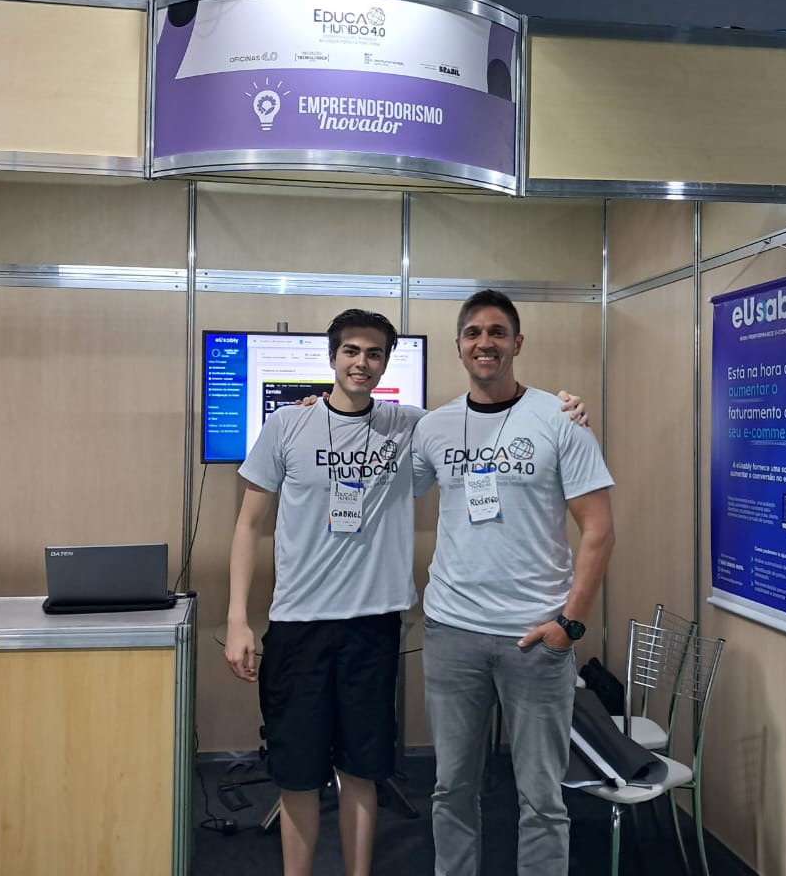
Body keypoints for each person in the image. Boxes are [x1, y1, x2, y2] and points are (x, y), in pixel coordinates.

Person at [224, 308, 588, 876]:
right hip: (297, 625)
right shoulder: (286, 426)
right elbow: (247, 526)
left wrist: (562, 407)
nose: (361, 363)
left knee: (364, 768)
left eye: (373, 354)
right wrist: (240, 621)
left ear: (386, 362)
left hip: (373, 626)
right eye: (351, 351)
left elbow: (489, 413)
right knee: (295, 772)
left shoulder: (413, 426)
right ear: (332, 357)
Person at [412, 289, 616, 876]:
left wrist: (569, 623)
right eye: (474, 333)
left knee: (543, 798)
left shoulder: (560, 419)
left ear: (517, 343)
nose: (485, 343)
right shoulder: (435, 426)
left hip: (536, 637)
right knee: (450, 787)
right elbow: (388, 477)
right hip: (453, 634)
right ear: (458, 346)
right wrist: (310, 409)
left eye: (498, 332)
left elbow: (599, 531)